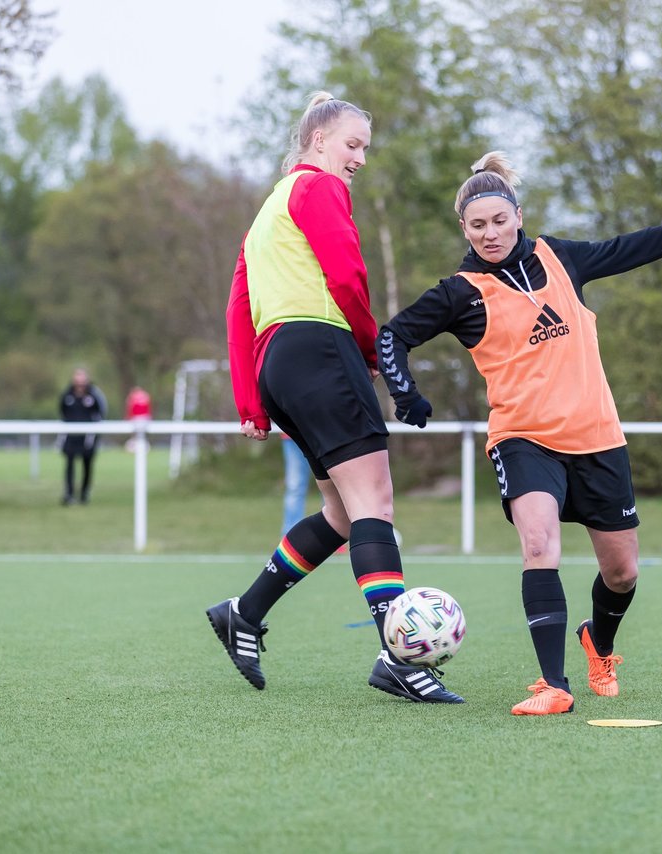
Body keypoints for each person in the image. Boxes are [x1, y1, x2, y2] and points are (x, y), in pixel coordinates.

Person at [379, 152, 662, 715]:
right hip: (523, 438)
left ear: (517, 214)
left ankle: (600, 644)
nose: (489, 233)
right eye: (476, 225)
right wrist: (406, 394)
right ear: (463, 229)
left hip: (597, 436)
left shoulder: (561, 257)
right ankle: (553, 685)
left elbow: (630, 247)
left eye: (498, 220)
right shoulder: (460, 292)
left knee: (622, 572)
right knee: (539, 546)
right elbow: (390, 338)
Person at [208, 90, 461, 703]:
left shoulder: (268, 208)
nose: (360, 159)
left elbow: (239, 307)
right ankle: (400, 656)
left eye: (364, 148)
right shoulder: (319, 187)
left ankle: (244, 611)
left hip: (279, 364)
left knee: (345, 514)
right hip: (321, 349)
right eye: (353, 144)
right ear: (318, 139)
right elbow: (348, 275)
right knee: (375, 500)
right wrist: (374, 350)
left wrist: (251, 399)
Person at [58, 368, 107, 505]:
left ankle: (84, 494)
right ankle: (69, 494)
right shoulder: (67, 395)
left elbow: (101, 412)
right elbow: (62, 411)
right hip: (71, 436)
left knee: (87, 465)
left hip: (87, 438)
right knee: (69, 464)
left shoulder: (94, 395)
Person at [280, 432, 310, 536]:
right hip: (292, 435)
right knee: (295, 486)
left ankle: (333, 534)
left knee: (331, 484)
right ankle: (291, 534)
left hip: (322, 433)